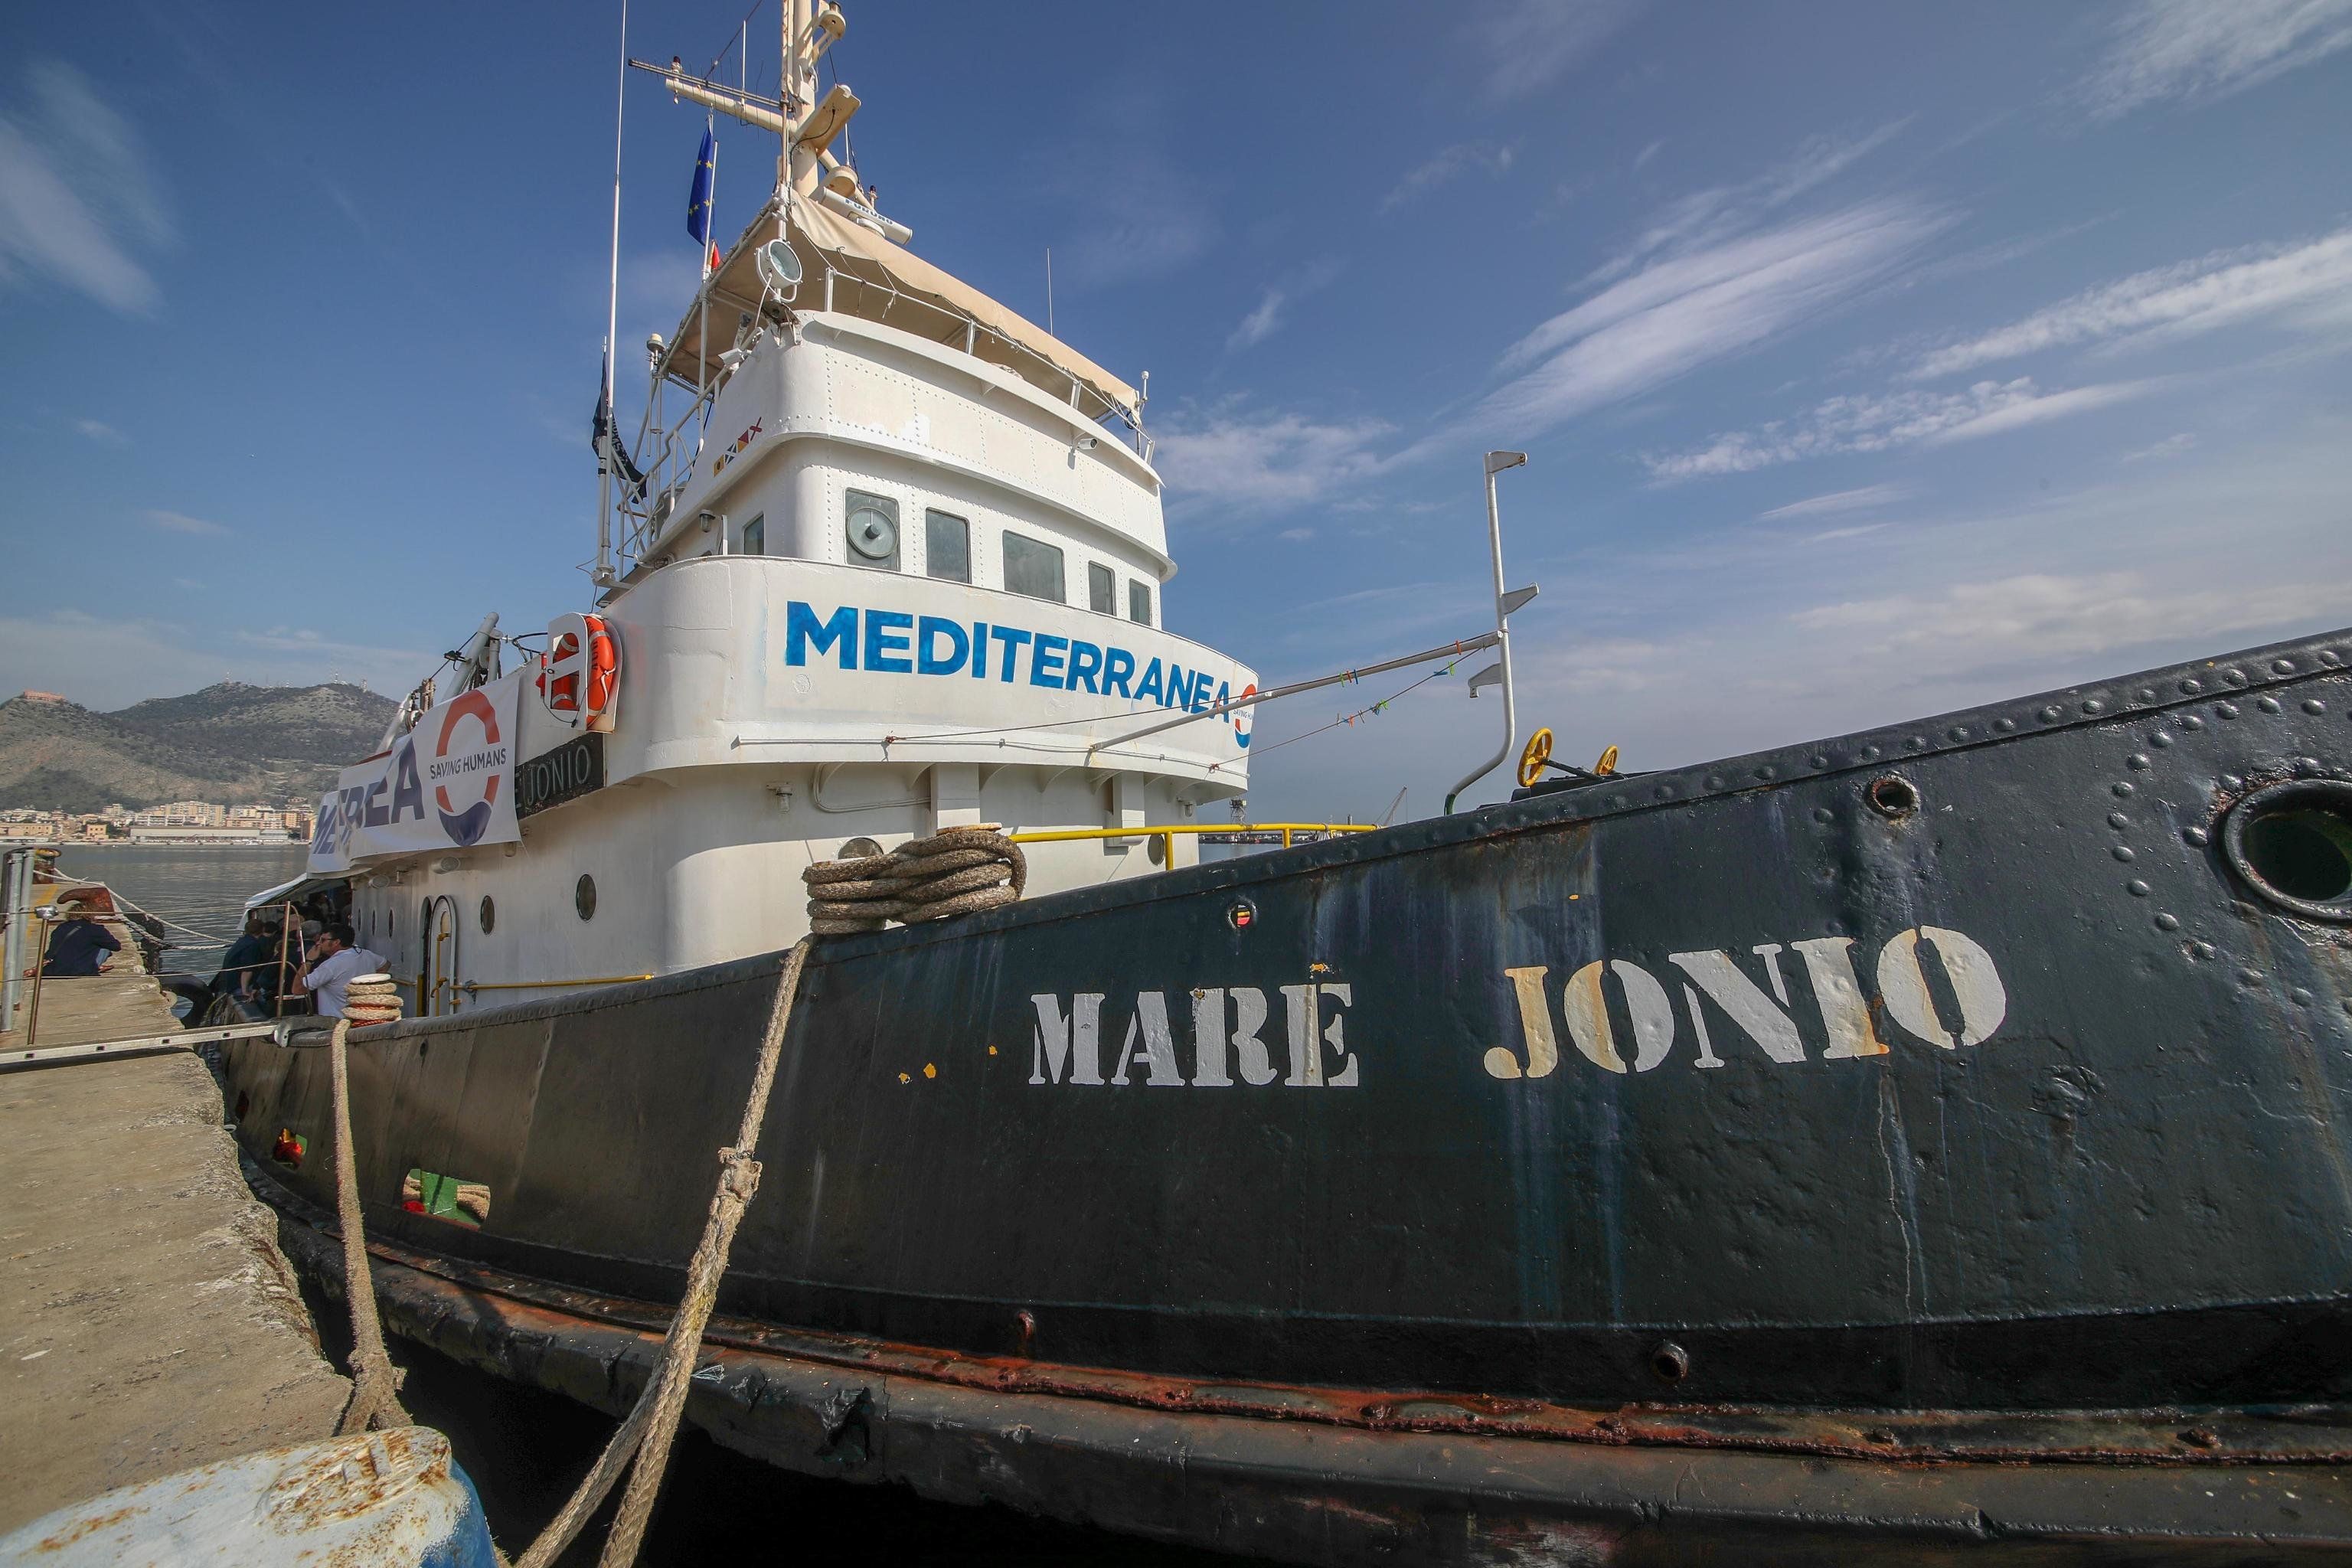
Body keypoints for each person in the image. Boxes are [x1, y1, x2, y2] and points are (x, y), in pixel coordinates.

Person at [293, 921, 385, 1020]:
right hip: (362, 1018)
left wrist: (308, 961)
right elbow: (385, 965)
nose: (318, 943)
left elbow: (298, 989)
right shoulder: (367, 955)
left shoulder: (330, 966)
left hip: (336, 1022)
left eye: (322, 940)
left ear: (336, 942)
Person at [41, 897, 121, 977]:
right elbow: (116, 946)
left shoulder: (61, 927)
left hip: (54, 970)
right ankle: (95, 966)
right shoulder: (95, 929)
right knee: (105, 949)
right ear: (89, 915)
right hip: (80, 970)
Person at [211, 914, 276, 1008]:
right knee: (263, 999)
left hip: (226, 980)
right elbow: (247, 970)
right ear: (262, 930)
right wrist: (245, 991)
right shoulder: (252, 945)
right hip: (236, 984)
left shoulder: (241, 941)